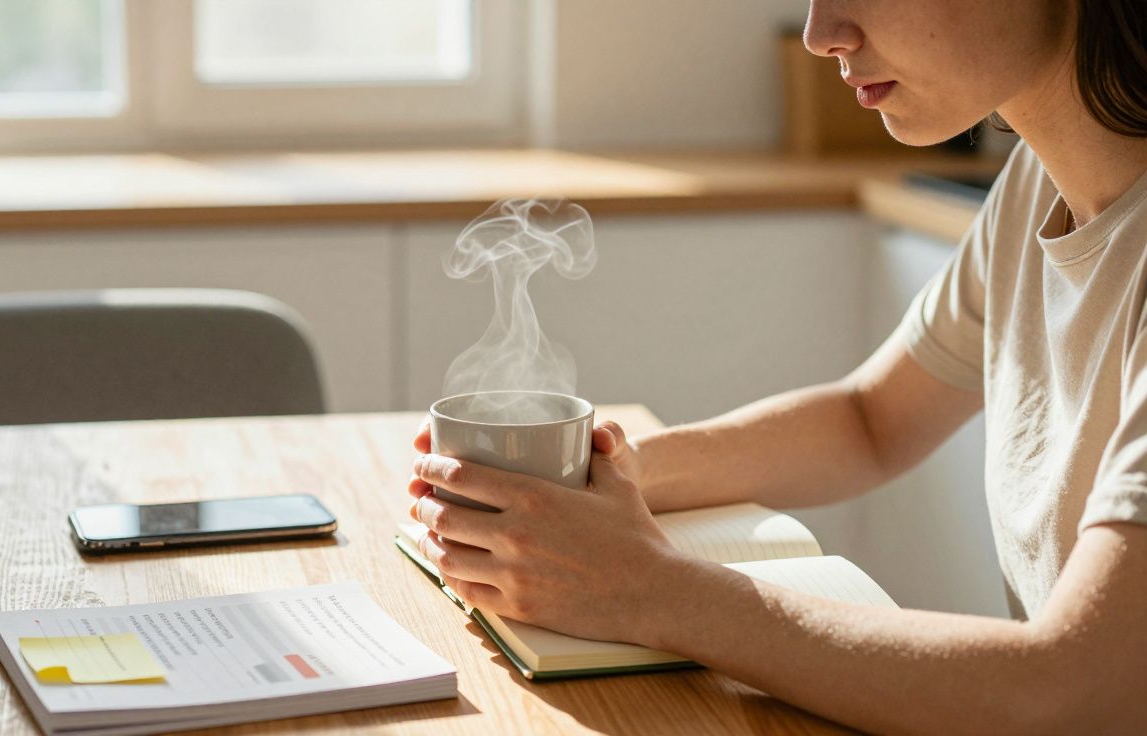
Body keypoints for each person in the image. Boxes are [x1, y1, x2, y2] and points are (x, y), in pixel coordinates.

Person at [406, 0, 1147, 732]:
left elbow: (1073, 692)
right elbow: (870, 421)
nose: (820, 35)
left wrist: (644, 589)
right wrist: (604, 479)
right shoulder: (1036, 185)